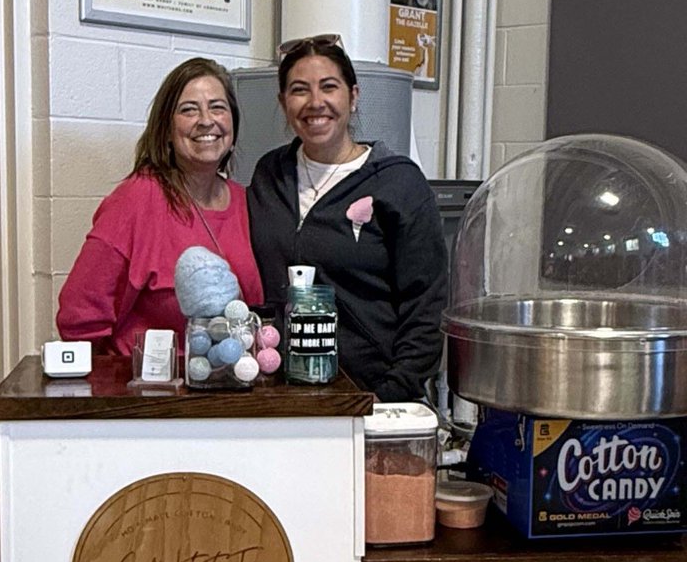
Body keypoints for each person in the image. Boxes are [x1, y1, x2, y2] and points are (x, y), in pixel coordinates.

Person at [248, 35, 447, 401]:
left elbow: (427, 304)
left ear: (353, 97)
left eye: (329, 87)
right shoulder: (269, 175)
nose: (315, 102)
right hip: (280, 392)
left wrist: (392, 393)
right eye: (299, 90)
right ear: (283, 103)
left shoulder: (397, 183)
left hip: (370, 393)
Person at [57, 58, 263, 355]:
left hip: (235, 386)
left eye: (217, 107)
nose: (206, 120)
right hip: (154, 393)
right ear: (166, 130)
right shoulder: (136, 200)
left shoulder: (248, 201)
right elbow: (79, 318)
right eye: (188, 109)